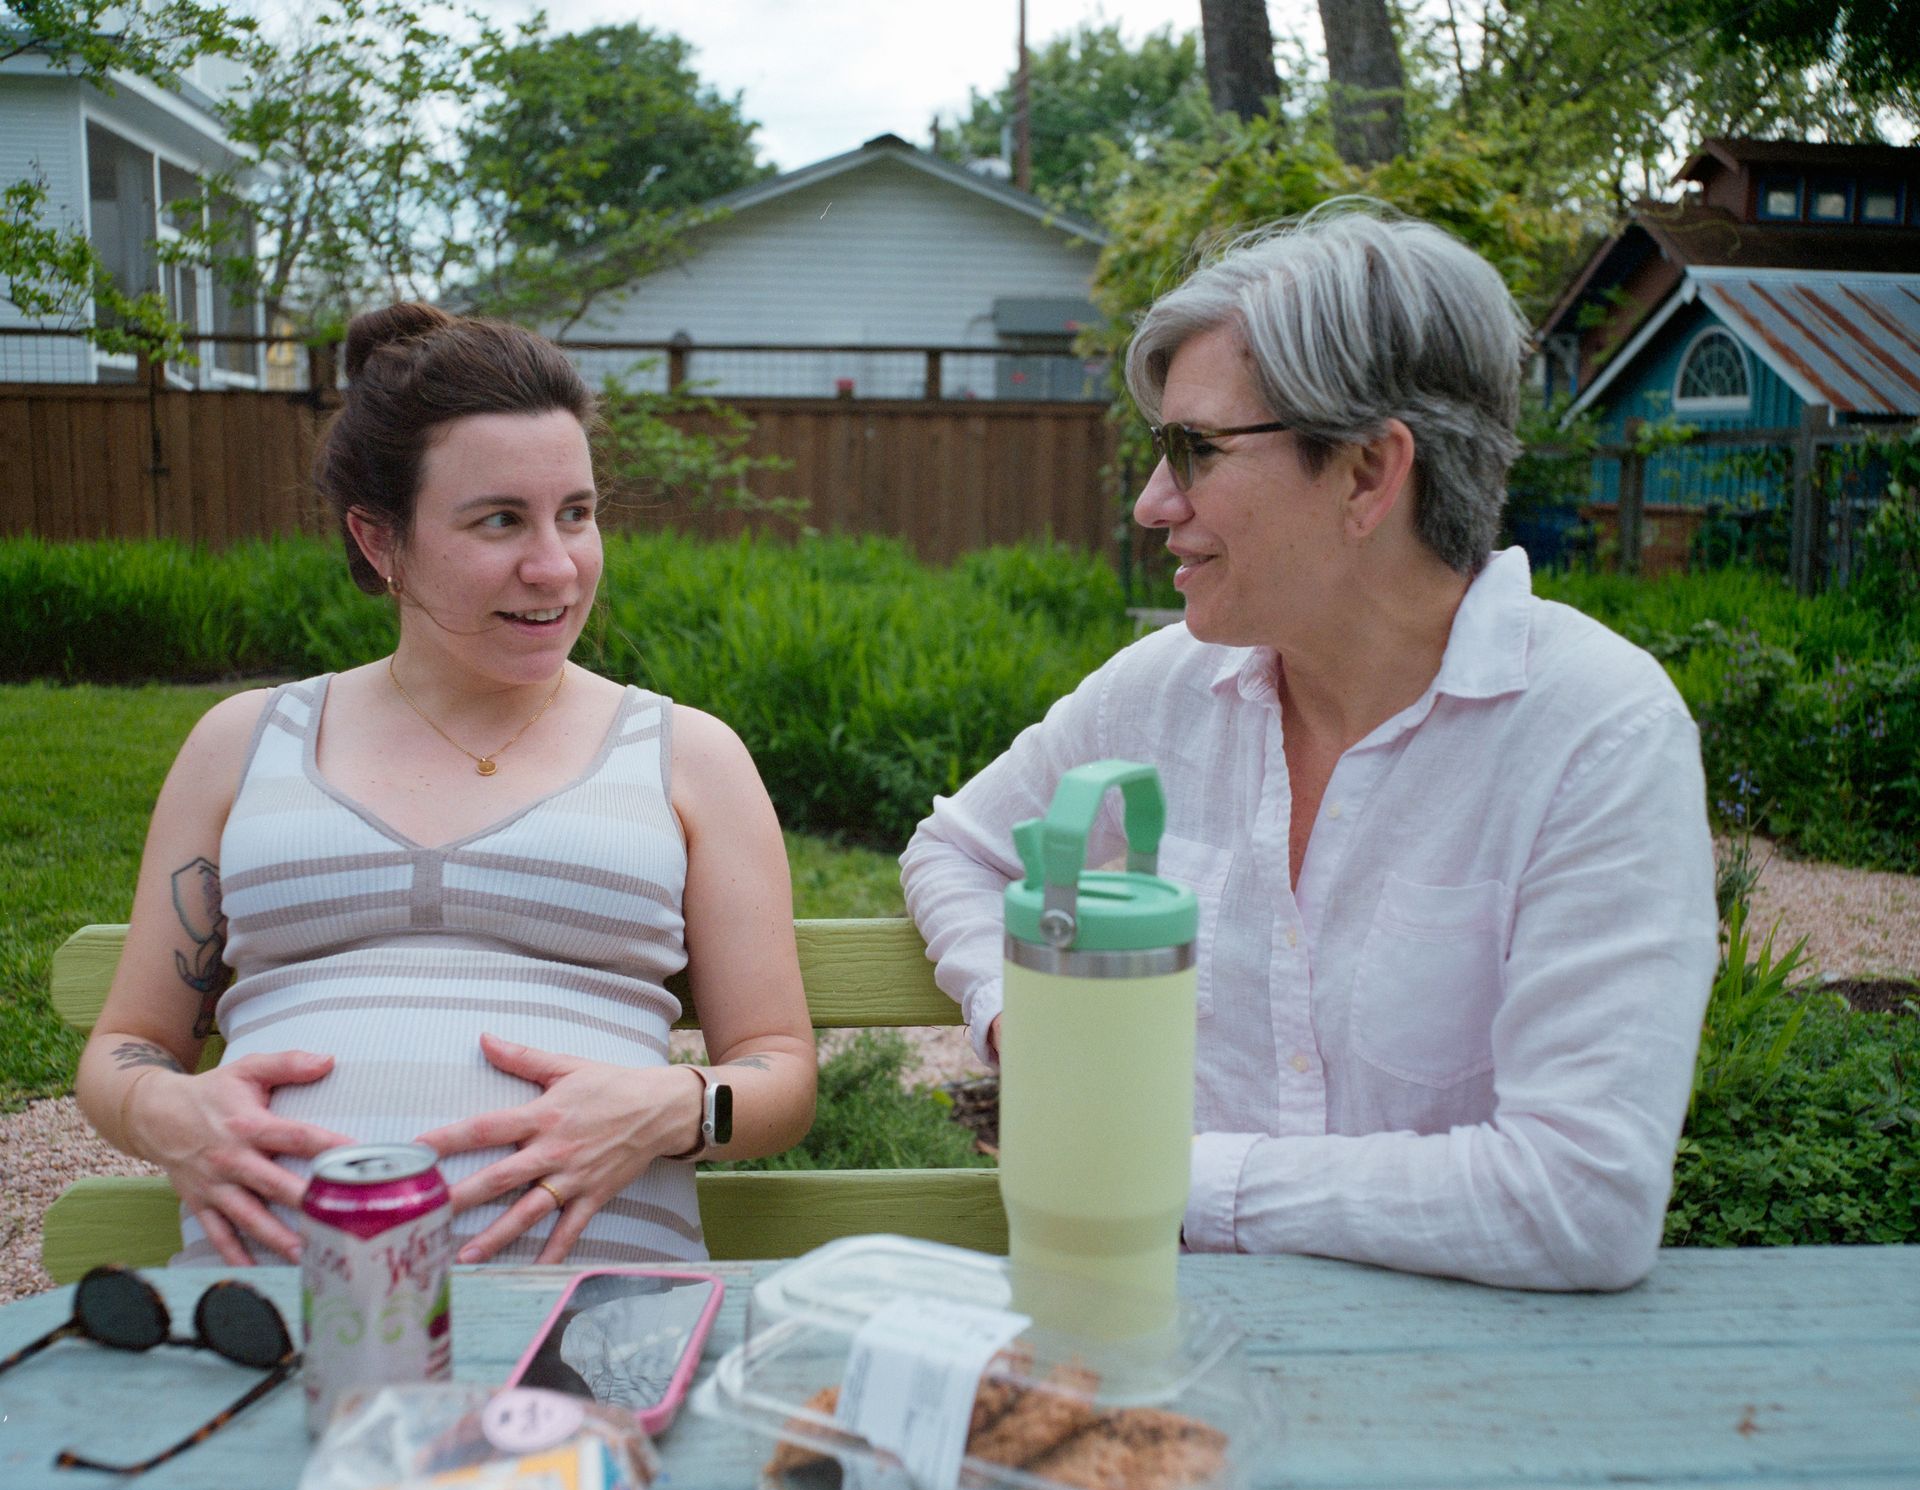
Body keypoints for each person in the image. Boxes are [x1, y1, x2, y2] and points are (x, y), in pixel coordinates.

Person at [900, 204, 1718, 1292]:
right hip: (1163, 1358)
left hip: (1466, 1400)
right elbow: (956, 852)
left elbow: (1580, 1198)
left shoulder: (1596, 736)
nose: (1153, 505)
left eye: (1196, 450)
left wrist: (1175, 1177)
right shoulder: (1159, 696)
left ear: (1370, 473)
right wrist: (1029, 1019)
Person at [75, 304, 815, 1268]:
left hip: (589, 1332)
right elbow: (127, 1044)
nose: (555, 566)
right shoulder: (243, 745)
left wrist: (673, 1106)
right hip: (275, 1327)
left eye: (577, 514)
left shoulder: (688, 758)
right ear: (381, 543)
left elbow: (781, 1073)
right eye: (499, 519)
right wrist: (167, 1112)